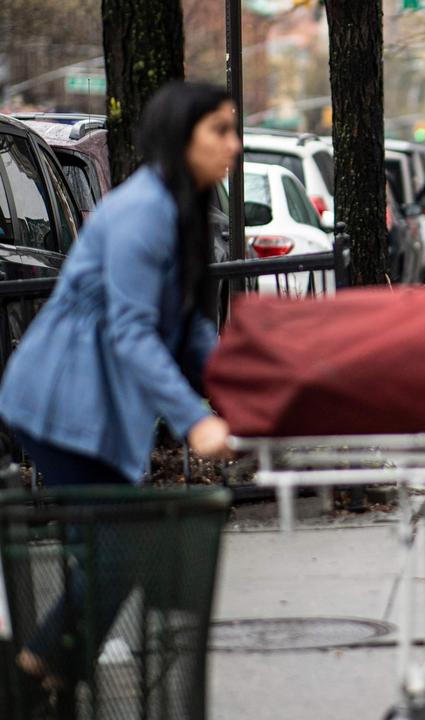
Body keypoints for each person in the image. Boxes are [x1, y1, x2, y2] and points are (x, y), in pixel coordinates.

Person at [0, 80, 239, 685]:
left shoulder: (183, 213)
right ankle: (38, 672)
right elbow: (133, 330)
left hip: (92, 404)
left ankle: (47, 674)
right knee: (119, 547)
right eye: (220, 130)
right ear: (181, 137)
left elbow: (186, 331)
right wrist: (194, 419)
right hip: (60, 399)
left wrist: (242, 388)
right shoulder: (143, 212)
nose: (233, 145)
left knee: (113, 551)